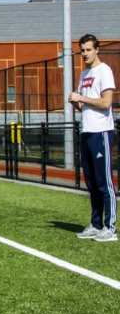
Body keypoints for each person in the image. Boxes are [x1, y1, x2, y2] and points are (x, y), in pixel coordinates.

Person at [69, 33, 116, 242]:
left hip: (101, 132)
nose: (85, 54)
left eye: (88, 49)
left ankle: (110, 227)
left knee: (104, 182)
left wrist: (82, 98)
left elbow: (106, 103)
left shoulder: (104, 71)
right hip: (87, 131)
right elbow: (83, 106)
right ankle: (96, 224)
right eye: (82, 50)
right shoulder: (84, 74)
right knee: (90, 182)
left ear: (97, 49)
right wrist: (74, 101)